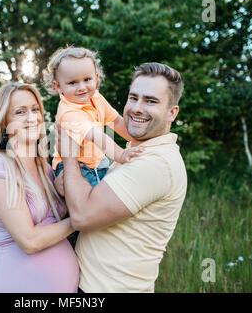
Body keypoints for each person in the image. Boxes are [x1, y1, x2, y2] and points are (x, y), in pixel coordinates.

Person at [55, 62, 187, 292]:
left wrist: (68, 158)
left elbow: (82, 217)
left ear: (172, 113)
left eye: (151, 101)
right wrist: (68, 177)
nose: (137, 108)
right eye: (133, 98)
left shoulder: (155, 163)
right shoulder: (138, 153)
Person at [0, 82, 79, 293]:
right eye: (20, 112)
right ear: (3, 123)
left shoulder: (43, 167)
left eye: (35, 109)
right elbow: (29, 240)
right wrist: (81, 220)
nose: (32, 118)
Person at [43, 46, 141, 188]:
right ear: (58, 86)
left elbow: (116, 121)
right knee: (92, 205)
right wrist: (121, 155)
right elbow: (96, 136)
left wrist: (139, 142)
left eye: (87, 79)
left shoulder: (96, 97)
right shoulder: (68, 112)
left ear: (95, 78)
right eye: (72, 83)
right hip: (79, 169)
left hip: (98, 163)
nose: (82, 87)